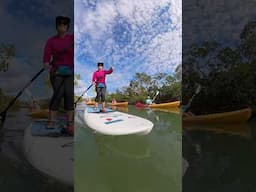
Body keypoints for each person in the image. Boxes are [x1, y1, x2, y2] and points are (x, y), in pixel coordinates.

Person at [43, 16, 74, 135]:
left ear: (67, 27)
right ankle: (51, 121)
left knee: (69, 93)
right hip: (56, 72)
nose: (62, 27)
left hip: (70, 72)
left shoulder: (72, 38)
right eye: (60, 25)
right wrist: (46, 62)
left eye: (65, 25)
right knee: (58, 93)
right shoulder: (51, 41)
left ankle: (70, 123)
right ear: (56, 26)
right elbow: (47, 54)